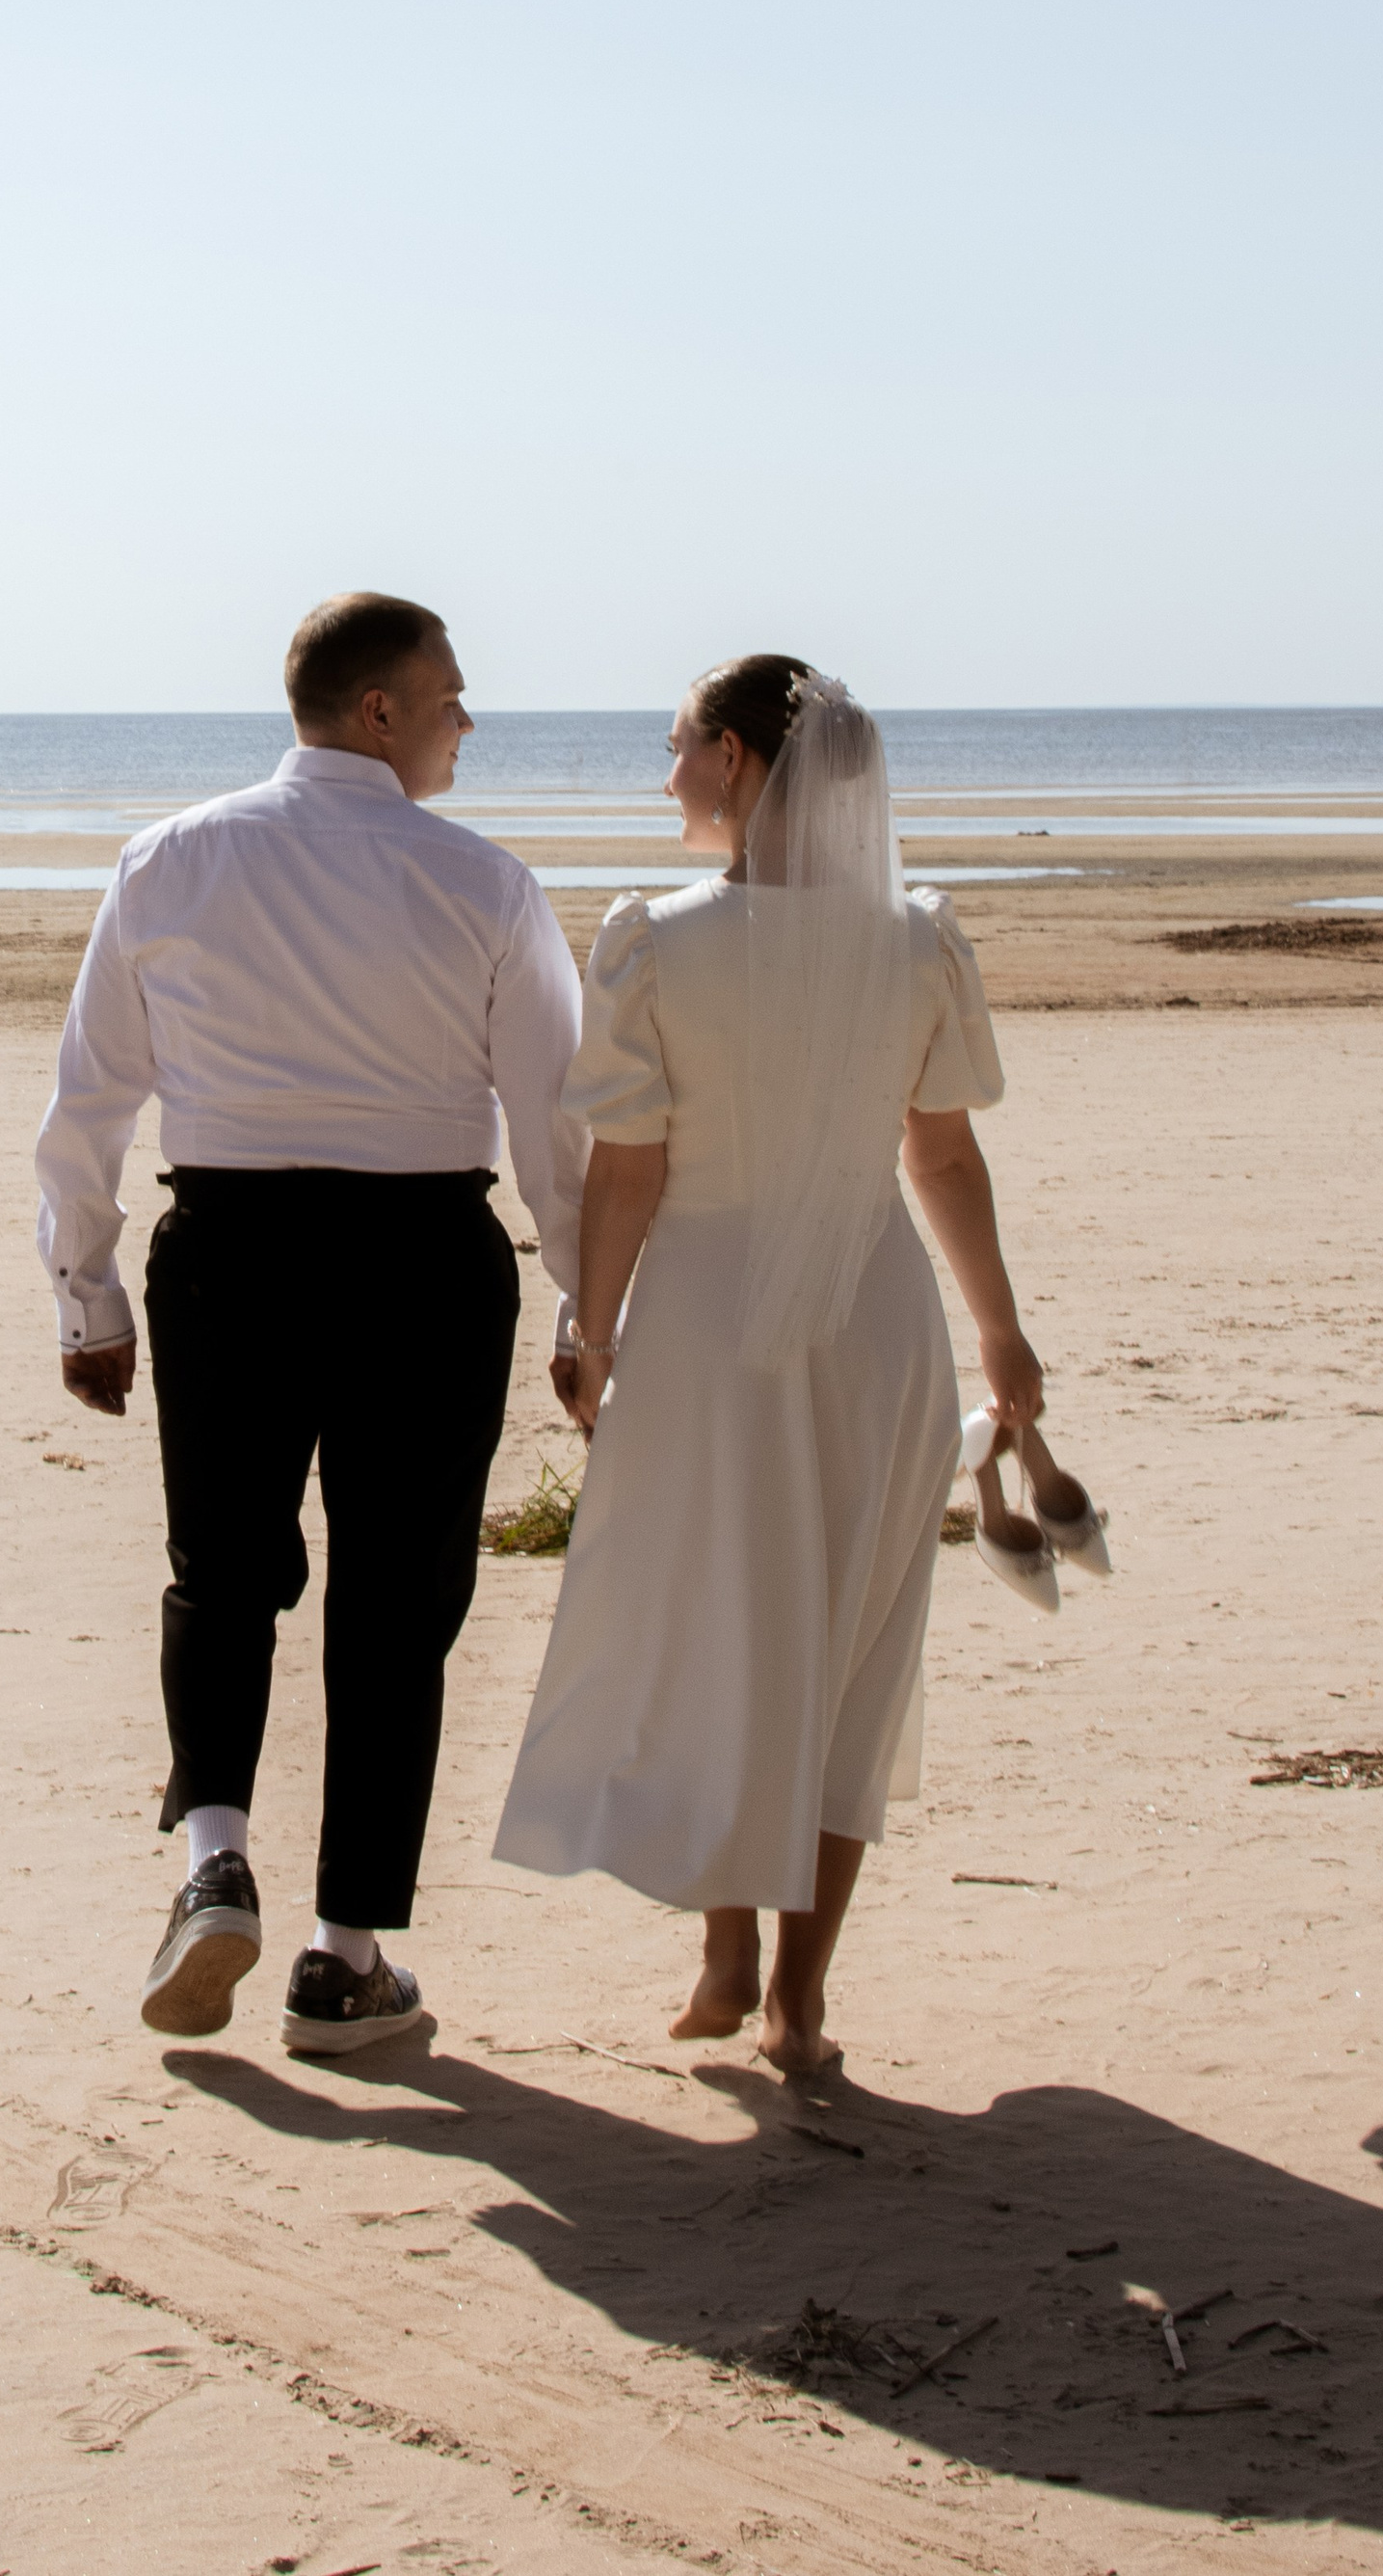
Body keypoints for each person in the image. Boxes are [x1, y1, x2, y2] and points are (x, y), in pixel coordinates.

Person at [35, 594, 587, 2055]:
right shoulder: (485, 882)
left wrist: (86, 1293)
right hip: (421, 1256)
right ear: (380, 711)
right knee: (397, 1602)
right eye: (453, 696)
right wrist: (592, 1300)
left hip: (229, 1248)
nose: (470, 721)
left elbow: (89, 1096)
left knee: (222, 1570)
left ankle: (215, 1853)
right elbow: (555, 1124)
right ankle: (345, 1957)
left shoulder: (171, 856)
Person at [492, 657, 1042, 2071]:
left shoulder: (657, 940)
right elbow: (943, 1152)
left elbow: (628, 1169)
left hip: (705, 1320)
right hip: (878, 1314)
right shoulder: (917, 939)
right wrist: (998, 1329)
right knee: (852, 1644)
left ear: (738, 759)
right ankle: (791, 1986)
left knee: (726, 1626)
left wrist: (593, 1330)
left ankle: (733, 1949)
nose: (663, 768)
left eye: (676, 743)